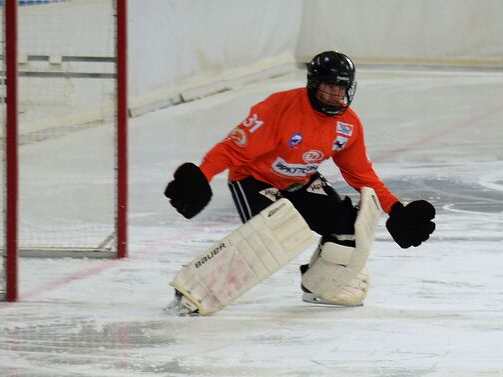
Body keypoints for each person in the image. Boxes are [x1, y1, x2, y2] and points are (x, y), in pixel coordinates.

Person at [162, 52, 437, 311]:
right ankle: (194, 290)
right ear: (314, 84)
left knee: (351, 227)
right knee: (271, 235)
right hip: (254, 179)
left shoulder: (348, 125)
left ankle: (321, 285)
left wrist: (396, 209)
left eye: (341, 88)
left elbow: (360, 173)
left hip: (301, 181)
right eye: (329, 86)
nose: (335, 94)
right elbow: (234, 148)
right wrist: (203, 174)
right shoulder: (278, 109)